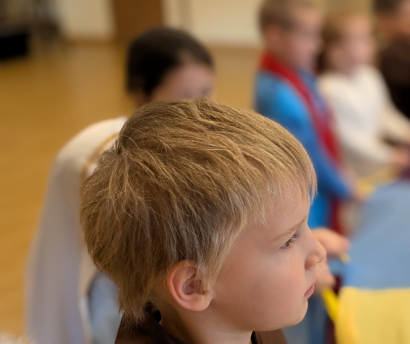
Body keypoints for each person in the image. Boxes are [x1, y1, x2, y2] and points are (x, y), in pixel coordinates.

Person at [80, 99, 328, 344]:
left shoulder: (248, 320)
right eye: (288, 240)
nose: (319, 252)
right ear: (194, 285)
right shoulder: (249, 313)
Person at [25, 28, 215, 344]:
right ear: (141, 93)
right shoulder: (104, 153)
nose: (198, 109)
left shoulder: (177, 144)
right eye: (184, 96)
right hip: (102, 293)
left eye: (206, 92)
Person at [254, 0, 354, 230]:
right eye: (308, 36)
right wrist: (343, 185)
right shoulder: (276, 94)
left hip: (321, 194)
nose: (317, 46)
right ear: (275, 37)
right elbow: (308, 156)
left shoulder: (301, 75)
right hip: (307, 202)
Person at [318, 10, 410, 178]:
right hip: (350, 172)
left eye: (369, 36)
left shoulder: (370, 76)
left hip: (379, 166)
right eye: (361, 39)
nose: (371, 43)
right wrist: (390, 155)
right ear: (336, 51)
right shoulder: (326, 88)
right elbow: (348, 139)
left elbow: (385, 114)